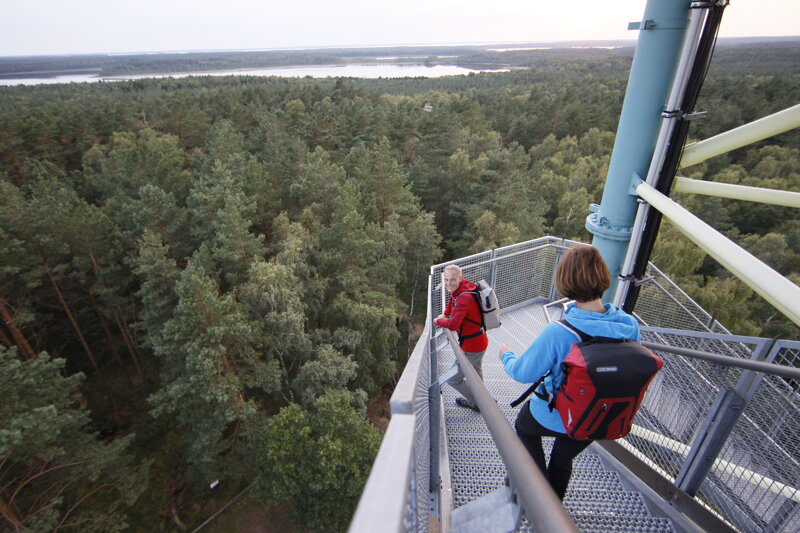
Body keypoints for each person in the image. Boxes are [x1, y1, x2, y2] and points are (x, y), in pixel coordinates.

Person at [498, 246, 640, 500]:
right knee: (563, 458)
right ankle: (555, 507)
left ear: (565, 281)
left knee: (524, 428)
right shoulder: (629, 325)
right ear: (602, 277)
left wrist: (506, 355)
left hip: (556, 414)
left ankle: (538, 495)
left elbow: (523, 373)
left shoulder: (559, 332)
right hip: (599, 417)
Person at [434, 264, 489, 413]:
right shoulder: (463, 288)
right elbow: (452, 300)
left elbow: (453, 324)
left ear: (460, 278)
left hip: (473, 346)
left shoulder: (465, 297)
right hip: (479, 341)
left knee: (453, 379)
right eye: (446, 280)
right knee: (476, 374)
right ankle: (484, 399)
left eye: (452, 279)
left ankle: (481, 404)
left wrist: (438, 321)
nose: (448, 283)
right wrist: (445, 313)